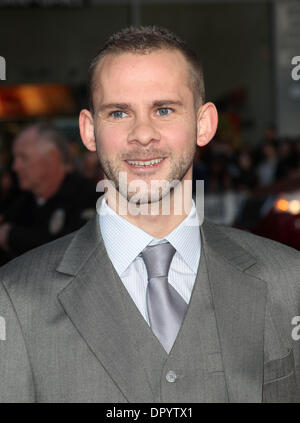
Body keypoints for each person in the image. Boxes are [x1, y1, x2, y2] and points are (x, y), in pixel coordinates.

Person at [0, 26, 299, 403]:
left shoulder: (290, 281)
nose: (143, 134)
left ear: (204, 124)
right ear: (89, 131)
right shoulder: (13, 299)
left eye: (163, 110)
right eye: (119, 112)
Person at [0, 122, 98, 265]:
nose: (16, 167)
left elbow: (77, 251)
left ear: (52, 157)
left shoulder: (88, 197)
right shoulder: (18, 202)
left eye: (24, 158)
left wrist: (12, 235)